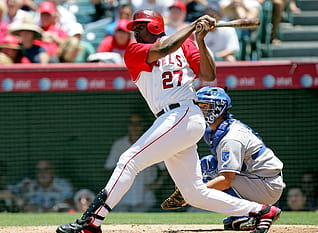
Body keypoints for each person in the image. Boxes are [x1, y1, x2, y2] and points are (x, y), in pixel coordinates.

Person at [56, 9, 282, 233]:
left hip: (183, 114)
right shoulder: (135, 49)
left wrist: (200, 40)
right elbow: (164, 48)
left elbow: (209, 74)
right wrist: (193, 26)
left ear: (155, 26)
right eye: (135, 27)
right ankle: (260, 210)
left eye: (140, 26)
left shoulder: (186, 43)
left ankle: (92, 221)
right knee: (194, 193)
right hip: (173, 120)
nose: (135, 31)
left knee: (128, 160)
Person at [161, 86, 286, 231]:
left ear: (218, 108)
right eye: (199, 106)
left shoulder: (230, 138)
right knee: (206, 165)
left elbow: (226, 180)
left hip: (266, 185)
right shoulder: (217, 129)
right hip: (256, 178)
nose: (200, 110)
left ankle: (246, 216)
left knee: (209, 177)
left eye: (205, 106)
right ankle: (241, 217)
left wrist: (193, 193)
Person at [104, 113, 167, 212]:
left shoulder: (151, 143)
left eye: (138, 123)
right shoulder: (119, 144)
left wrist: (157, 184)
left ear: (144, 125)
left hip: (146, 195)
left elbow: (165, 168)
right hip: (123, 196)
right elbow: (109, 168)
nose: (134, 127)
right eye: (131, 123)